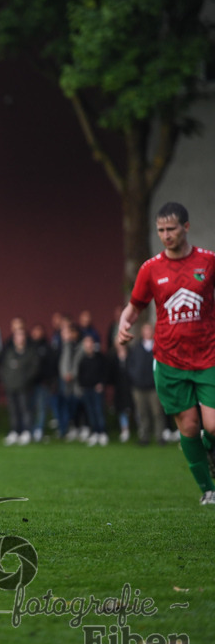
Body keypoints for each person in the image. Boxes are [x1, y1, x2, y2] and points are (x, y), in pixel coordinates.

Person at [118, 202, 215, 505]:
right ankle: (208, 490)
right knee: (188, 426)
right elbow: (135, 306)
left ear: (186, 227)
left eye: (171, 229)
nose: (165, 235)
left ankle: (208, 447)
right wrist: (124, 323)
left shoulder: (208, 262)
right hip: (170, 360)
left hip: (208, 356)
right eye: (160, 230)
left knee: (212, 427)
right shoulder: (151, 269)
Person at [125, 323, 164, 446]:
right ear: (142, 333)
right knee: (142, 413)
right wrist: (135, 378)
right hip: (138, 387)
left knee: (157, 412)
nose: (147, 333)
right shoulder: (136, 347)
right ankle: (144, 436)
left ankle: (159, 437)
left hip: (153, 386)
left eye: (149, 330)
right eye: (145, 330)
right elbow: (130, 365)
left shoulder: (158, 347)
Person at [0, 326, 38, 446]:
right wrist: (6, 380)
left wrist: (25, 380)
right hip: (11, 386)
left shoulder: (30, 352)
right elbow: (3, 368)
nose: (19, 338)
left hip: (24, 387)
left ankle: (26, 432)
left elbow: (34, 368)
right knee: (13, 410)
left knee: (25, 409)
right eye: (17, 336)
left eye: (21, 335)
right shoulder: (9, 352)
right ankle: (15, 431)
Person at [76, 334, 108, 446]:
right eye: (86, 343)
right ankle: (95, 432)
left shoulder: (100, 358)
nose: (88, 345)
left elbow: (105, 372)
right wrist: (82, 386)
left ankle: (102, 432)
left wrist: (101, 384)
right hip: (86, 389)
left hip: (97, 390)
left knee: (99, 411)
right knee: (90, 412)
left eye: (90, 343)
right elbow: (80, 375)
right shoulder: (83, 360)